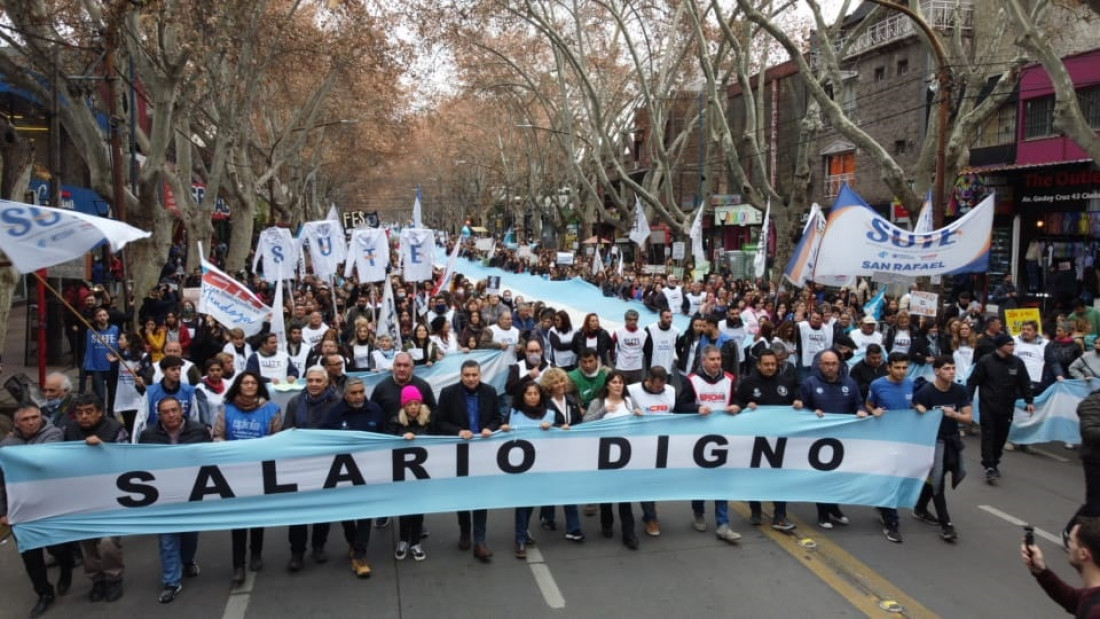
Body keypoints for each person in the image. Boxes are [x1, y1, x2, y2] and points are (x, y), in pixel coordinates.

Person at [0, 403, 74, 618]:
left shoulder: (54, 435)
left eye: (35, 417)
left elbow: (46, 461)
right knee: (30, 555)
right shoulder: (7, 446)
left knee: (59, 547)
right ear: (16, 423)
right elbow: (2, 482)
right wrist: (3, 511)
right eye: (26, 419)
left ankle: (66, 565)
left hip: (52, 506)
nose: (32, 422)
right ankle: (44, 593)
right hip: (22, 509)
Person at [213, 371, 283, 586]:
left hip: (260, 472)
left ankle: (256, 554)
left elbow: (277, 439)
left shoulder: (271, 410)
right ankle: (238, 565)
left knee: (257, 517)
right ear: (239, 386)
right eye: (246, 382)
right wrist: (224, 447)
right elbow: (218, 435)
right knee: (239, 521)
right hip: (235, 474)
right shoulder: (227, 410)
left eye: (254, 382)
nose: (250, 386)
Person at [139, 396, 211, 603]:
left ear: (181, 411)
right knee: (167, 539)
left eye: (174, 410)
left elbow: (210, 458)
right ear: (158, 415)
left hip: (191, 493)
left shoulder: (198, 430)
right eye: (166, 412)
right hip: (163, 495)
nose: (171, 415)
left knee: (190, 534)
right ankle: (171, 581)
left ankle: (187, 560)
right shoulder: (148, 435)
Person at [435, 359, 503, 561]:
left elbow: (498, 418)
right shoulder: (448, 393)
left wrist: (490, 427)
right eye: (467, 375)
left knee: (481, 495)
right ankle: (465, 531)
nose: (471, 379)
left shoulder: (490, 392)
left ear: (480, 375)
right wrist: (458, 431)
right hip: (459, 452)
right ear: (461, 376)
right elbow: (439, 423)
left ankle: (480, 540)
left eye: (475, 375)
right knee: (462, 494)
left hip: (482, 452)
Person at [64, 394, 128, 603]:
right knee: (87, 542)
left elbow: (125, 458)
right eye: (79, 412)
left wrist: (103, 448)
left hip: (111, 495)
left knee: (108, 542)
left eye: (89, 411)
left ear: (100, 412)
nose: (83, 417)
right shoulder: (70, 430)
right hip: (82, 496)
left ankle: (113, 577)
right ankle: (96, 579)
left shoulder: (115, 429)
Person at [675, 346, 743, 544]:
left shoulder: (729, 379)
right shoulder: (692, 380)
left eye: (718, 359)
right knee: (701, 481)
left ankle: (723, 524)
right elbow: (680, 406)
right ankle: (698, 511)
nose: (716, 363)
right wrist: (696, 408)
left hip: (723, 439)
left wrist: (737, 406)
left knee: (722, 481)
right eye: (712, 359)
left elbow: (739, 400)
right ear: (703, 361)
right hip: (699, 440)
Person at [320, 377, 386, 576]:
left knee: (365, 513)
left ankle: (359, 555)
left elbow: (385, 437)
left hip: (369, 472)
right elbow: (323, 439)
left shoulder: (375, 410)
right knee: (348, 513)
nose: (358, 397)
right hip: (343, 472)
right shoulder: (334, 414)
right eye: (354, 393)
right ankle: (352, 542)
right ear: (346, 394)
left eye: (361, 392)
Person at [735, 350, 802, 531]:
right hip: (755, 439)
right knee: (756, 476)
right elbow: (736, 403)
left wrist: (797, 403)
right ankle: (755, 510)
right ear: (759, 365)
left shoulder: (785, 382)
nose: (770, 367)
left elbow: (796, 402)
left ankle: (780, 515)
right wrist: (744, 406)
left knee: (780, 477)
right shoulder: (748, 383)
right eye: (767, 364)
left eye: (773, 364)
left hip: (780, 440)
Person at [283, 365, 341, 571]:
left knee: (322, 508)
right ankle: (297, 552)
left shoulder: (337, 402)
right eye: (310, 381)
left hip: (326, 464)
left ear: (326, 383)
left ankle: (318, 546)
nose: (314, 384)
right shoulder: (294, 402)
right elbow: (287, 431)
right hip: (299, 464)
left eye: (318, 381)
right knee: (298, 510)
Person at [800, 350, 863, 529]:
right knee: (822, 476)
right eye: (826, 363)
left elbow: (858, 403)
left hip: (843, 438)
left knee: (838, 476)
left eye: (833, 363)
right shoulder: (809, 383)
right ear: (820, 365)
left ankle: (834, 508)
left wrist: (861, 410)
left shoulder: (850, 383)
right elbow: (801, 408)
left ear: (839, 365)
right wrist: (812, 413)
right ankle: (823, 513)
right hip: (818, 440)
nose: (830, 367)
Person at [912, 356, 972, 543]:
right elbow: (916, 407)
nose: (952, 371)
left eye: (953, 368)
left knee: (950, 471)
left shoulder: (959, 390)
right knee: (938, 481)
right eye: (947, 368)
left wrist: (954, 414)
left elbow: (968, 418)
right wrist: (919, 409)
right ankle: (947, 525)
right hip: (934, 442)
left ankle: (920, 507)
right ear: (937, 371)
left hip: (952, 441)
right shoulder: (927, 391)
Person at [583, 370, 643, 550]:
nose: (618, 385)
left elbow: (642, 424)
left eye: (620, 382)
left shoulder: (629, 402)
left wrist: (641, 415)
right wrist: (603, 411)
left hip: (626, 456)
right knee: (607, 494)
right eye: (614, 382)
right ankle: (606, 523)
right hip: (604, 455)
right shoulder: (599, 402)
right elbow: (586, 422)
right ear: (607, 385)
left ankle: (629, 533)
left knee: (625, 496)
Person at [967, 333, 1035, 484]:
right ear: (1000, 346)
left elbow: (1025, 382)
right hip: (988, 405)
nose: (1012, 347)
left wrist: (1029, 401)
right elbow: (973, 381)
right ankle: (989, 466)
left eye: (1013, 344)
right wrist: (968, 399)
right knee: (988, 435)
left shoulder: (1017, 363)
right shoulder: (986, 361)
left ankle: (995, 461)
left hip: (1006, 406)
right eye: (1009, 344)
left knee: (1001, 437)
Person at [864, 352, 916, 543]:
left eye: (904, 367)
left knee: (899, 478)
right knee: (890, 479)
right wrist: (873, 410)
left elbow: (914, 404)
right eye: (897, 367)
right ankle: (891, 523)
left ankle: (883, 504)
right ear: (889, 367)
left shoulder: (911, 384)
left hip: (905, 440)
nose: (901, 372)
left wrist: (918, 407)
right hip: (884, 441)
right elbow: (868, 404)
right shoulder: (878, 385)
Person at [507, 382, 557, 558]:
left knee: (531, 502)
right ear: (523, 396)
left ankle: (524, 530)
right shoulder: (514, 413)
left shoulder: (550, 415)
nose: (532, 397)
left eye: (535, 393)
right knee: (523, 502)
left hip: (542, 465)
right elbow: (508, 436)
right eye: (528, 394)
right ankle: (520, 538)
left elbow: (560, 436)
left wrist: (555, 429)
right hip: (521, 466)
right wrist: (505, 430)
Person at [627, 366, 678, 536]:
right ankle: (651, 518)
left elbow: (674, 413)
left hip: (663, 444)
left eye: (662, 386)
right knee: (646, 481)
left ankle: (651, 504)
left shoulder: (670, 390)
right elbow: (622, 409)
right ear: (648, 380)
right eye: (657, 386)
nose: (660, 389)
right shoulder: (632, 390)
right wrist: (632, 413)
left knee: (657, 482)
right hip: (641, 444)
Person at [384, 384, 432, 562]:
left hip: (421, 475)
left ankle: (415, 542)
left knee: (418, 509)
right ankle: (403, 540)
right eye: (409, 404)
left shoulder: (428, 420)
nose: (413, 407)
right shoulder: (395, 421)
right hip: (401, 474)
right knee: (404, 508)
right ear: (404, 405)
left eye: (416, 404)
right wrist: (400, 439)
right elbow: (386, 442)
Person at [538, 368, 585, 540]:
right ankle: (547, 515)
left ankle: (574, 528)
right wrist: (558, 428)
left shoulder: (571, 400)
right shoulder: (544, 404)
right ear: (549, 386)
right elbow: (542, 426)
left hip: (569, 452)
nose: (560, 384)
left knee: (568, 488)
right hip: (550, 452)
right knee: (551, 487)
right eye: (556, 382)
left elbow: (579, 423)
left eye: (562, 380)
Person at [1022, 517, 1100, 617]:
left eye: (1071, 542)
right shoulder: (1093, 598)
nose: (1068, 546)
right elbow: (1074, 600)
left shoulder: (1096, 612)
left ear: (1083, 554)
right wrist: (1041, 571)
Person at [84, 307, 119, 415]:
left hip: (111, 366)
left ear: (108, 317)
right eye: (100, 315)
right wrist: (88, 369)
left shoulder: (115, 329)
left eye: (104, 315)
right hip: (97, 367)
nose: (102, 318)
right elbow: (89, 350)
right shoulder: (90, 331)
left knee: (112, 392)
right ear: (95, 318)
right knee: (100, 394)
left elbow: (118, 346)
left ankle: (110, 412)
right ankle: (101, 413)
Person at [611, 309, 648, 384]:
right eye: (630, 320)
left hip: (637, 368)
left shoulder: (643, 333)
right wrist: (613, 360)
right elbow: (611, 347)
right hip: (622, 367)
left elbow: (647, 350)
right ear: (625, 320)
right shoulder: (618, 332)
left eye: (635, 320)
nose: (633, 322)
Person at [643, 308, 680, 376]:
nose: (670, 319)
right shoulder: (650, 329)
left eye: (671, 317)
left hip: (667, 370)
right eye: (667, 317)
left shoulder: (676, 332)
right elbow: (645, 349)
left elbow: (677, 349)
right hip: (652, 369)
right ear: (660, 317)